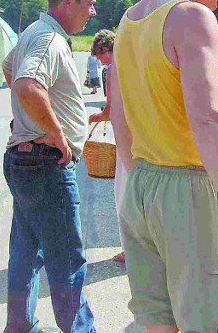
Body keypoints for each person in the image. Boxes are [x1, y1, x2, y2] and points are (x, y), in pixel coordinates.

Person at [110, 0, 218, 333]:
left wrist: (136, 173)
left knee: (158, 319)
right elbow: (209, 118)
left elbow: (118, 110)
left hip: (142, 184)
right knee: (215, 321)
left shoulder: (130, 19)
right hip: (190, 188)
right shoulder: (191, 16)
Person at [1, 0, 97, 333]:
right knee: (67, 259)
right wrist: (56, 132)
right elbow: (26, 84)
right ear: (67, 1)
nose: (93, 11)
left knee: (26, 252)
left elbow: (8, 68)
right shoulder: (49, 40)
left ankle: (20, 326)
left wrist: (32, 118)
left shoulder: (34, 34)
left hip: (28, 161)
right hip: (45, 164)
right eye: (89, 3)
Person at [87, 29, 127, 263]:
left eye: (99, 55)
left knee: (122, 196)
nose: (99, 60)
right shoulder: (135, 61)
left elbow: (110, 110)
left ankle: (130, 250)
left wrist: (94, 118)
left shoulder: (112, 69)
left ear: (105, 50)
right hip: (143, 135)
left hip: (125, 138)